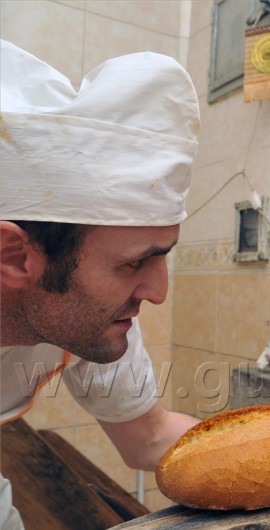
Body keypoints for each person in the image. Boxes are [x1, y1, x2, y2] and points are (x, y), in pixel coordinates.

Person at [0, 39, 202, 528]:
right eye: (134, 263)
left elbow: (149, 437)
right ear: (14, 256)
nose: (157, 292)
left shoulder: (87, 321)